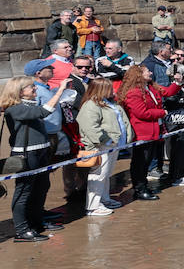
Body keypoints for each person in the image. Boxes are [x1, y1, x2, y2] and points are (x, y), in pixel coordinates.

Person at [1, 74, 68, 241]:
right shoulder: (14, 108)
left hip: (40, 151)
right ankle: (22, 230)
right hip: (26, 154)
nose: (35, 88)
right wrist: (60, 90)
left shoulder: (26, 105)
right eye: (32, 87)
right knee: (24, 192)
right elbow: (43, 112)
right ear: (20, 91)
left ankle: (37, 223)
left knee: (41, 187)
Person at [117, 65, 178, 201]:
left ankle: (143, 185)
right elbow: (141, 113)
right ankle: (139, 189)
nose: (151, 72)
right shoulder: (133, 92)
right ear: (138, 75)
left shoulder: (149, 87)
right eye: (147, 71)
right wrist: (162, 112)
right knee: (140, 162)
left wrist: (178, 83)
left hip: (153, 130)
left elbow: (167, 92)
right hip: (142, 132)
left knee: (146, 161)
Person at [75, 78, 128, 215]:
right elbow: (90, 127)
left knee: (106, 174)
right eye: (110, 88)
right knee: (97, 175)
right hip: (99, 146)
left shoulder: (108, 103)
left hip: (111, 145)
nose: (113, 90)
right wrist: (107, 140)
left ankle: (104, 199)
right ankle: (93, 206)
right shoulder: (90, 105)